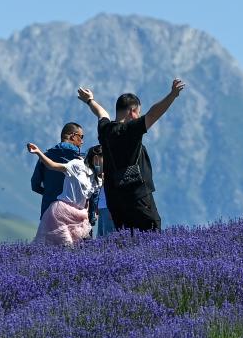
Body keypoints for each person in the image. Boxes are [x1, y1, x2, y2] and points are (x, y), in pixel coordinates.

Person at [77, 79, 186, 232]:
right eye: (139, 113)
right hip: (136, 196)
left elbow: (101, 113)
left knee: (125, 240)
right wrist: (172, 95)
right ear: (132, 111)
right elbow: (154, 113)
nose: (139, 116)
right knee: (151, 233)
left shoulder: (105, 129)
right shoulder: (131, 129)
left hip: (114, 199)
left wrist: (90, 100)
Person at [26, 141, 101, 246]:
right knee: (67, 247)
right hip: (61, 213)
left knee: (79, 249)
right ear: (97, 158)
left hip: (78, 216)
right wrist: (38, 152)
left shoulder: (97, 178)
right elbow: (52, 165)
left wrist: (91, 213)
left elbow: (87, 199)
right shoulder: (77, 165)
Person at [30, 122, 84, 218]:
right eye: (81, 137)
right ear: (73, 136)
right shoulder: (81, 160)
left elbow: (35, 185)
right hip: (73, 213)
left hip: (49, 211)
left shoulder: (45, 157)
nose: (82, 141)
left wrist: (49, 193)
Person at [84, 145, 115, 238]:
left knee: (107, 238)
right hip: (102, 208)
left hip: (108, 209)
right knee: (102, 237)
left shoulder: (110, 174)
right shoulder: (101, 175)